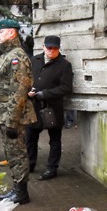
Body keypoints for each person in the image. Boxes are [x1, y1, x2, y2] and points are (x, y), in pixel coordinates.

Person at [0, 18, 36, 204]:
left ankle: (21, 193)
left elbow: (19, 91)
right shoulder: (6, 55)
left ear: (11, 32)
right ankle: (17, 188)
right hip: (4, 111)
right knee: (11, 153)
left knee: (17, 153)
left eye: (0, 32)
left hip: (13, 115)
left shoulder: (17, 56)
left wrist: (11, 121)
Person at [26, 35, 73, 180]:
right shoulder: (34, 60)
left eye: (55, 48)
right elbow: (26, 79)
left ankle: (52, 168)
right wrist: (28, 91)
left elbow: (66, 88)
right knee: (30, 137)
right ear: (43, 47)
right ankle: (30, 163)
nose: (52, 50)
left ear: (59, 48)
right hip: (34, 106)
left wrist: (45, 94)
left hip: (53, 107)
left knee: (55, 139)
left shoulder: (64, 65)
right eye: (49, 47)